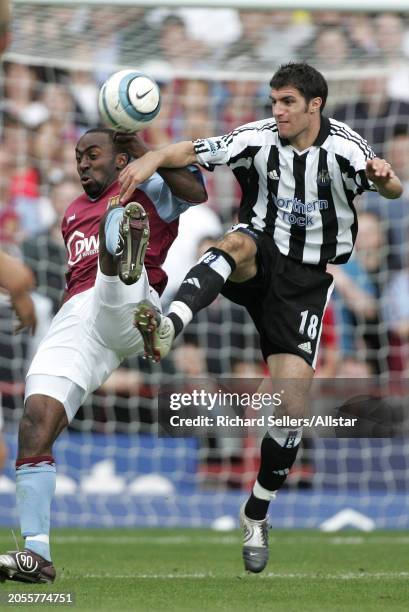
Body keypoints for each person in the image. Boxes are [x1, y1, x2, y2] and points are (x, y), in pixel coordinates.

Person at [118, 62, 403, 573]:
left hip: (307, 283)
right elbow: (196, 150)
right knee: (234, 242)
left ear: (315, 105)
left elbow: (391, 187)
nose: (277, 111)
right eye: (273, 101)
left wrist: (387, 180)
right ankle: (169, 324)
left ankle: (256, 513)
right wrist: (154, 157)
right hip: (261, 252)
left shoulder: (345, 148)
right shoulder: (257, 138)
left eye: (287, 102)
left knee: (291, 413)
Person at [0, 128, 206, 584]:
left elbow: (198, 190)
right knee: (35, 417)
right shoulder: (72, 212)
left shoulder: (151, 187)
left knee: (114, 279)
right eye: (77, 157)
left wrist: (144, 152)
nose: (82, 164)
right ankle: (37, 555)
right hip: (79, 316)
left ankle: (122, 251)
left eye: (93, 155)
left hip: (133, 305)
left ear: (119, 160)